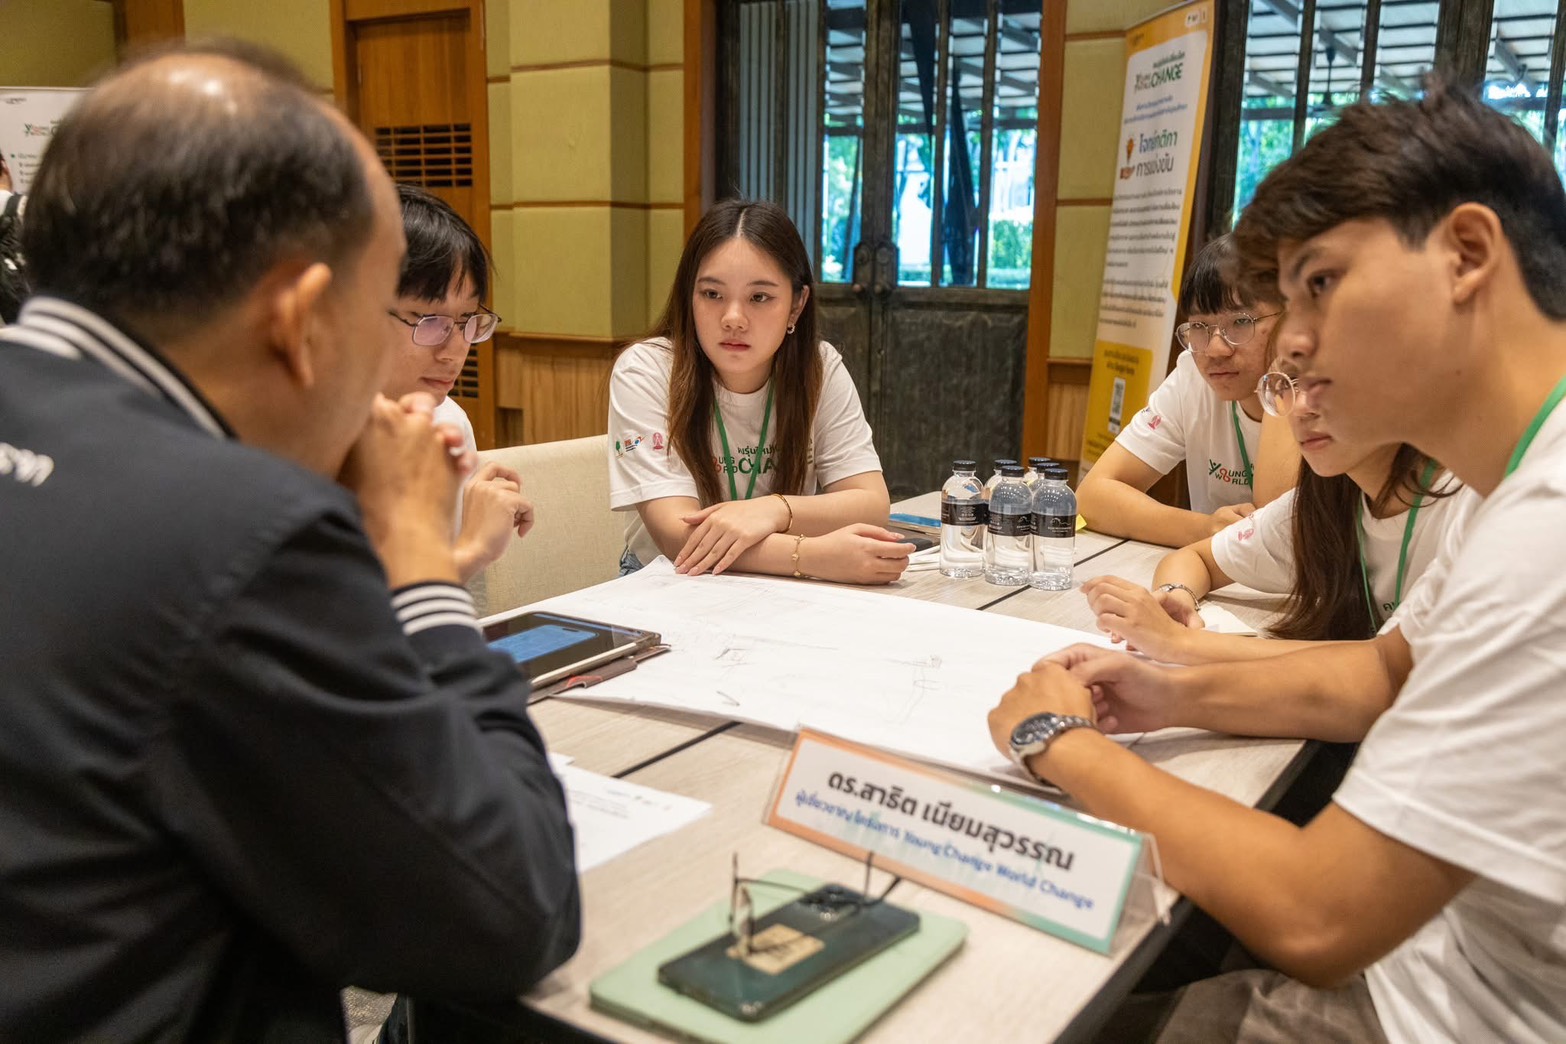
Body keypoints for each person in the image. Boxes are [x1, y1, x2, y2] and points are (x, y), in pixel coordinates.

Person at [0, 43, 579, 1042]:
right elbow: (510, 905)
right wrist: (419, 560)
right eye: (385, 309)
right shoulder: (240, 530)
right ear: (302, 320)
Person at [988, 82, 1566, 1043]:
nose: (1286, 344)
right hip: (1433, 962)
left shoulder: (1544, 527)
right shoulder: (1514, 481)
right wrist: (1166, 693)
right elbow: (1383, 673)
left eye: (1321, 285)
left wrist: (1057, 738)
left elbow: (1318, 915)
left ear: (1468, 254)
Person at [609, 198, 914, 584]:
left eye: (759, 297)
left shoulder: (819, 368)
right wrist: (812, 555)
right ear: (689, 296)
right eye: (712, 294)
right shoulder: (646, 370)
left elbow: (871, 503)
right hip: (668, 581)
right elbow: (677, 537)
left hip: (779, 583)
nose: (733, 318)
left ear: (796, 305)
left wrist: (774, 510)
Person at [1084, 372, 1479, 664]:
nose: (1301, 407)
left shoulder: (1472, 507)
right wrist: (1177, 595)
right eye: (1289, 384)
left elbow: (1384, 671)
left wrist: (1181, 644)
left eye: (1325, 379)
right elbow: (1195, 557)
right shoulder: (1322, 505)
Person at [1077, 234, 1300, 547]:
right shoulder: (1192, 379)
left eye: (1240, 322)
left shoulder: (1322, 395)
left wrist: (1281, 379)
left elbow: (1275, 537)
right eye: (1199, 327)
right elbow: (1091, 496)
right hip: (1212, 568)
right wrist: (1206, 528)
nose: (1215, 350)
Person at [382, 183, 532, 581]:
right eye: (430, 321)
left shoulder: (448, 422)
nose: (455, 351)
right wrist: (472, 549)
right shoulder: (305, 439)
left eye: (467, 321)